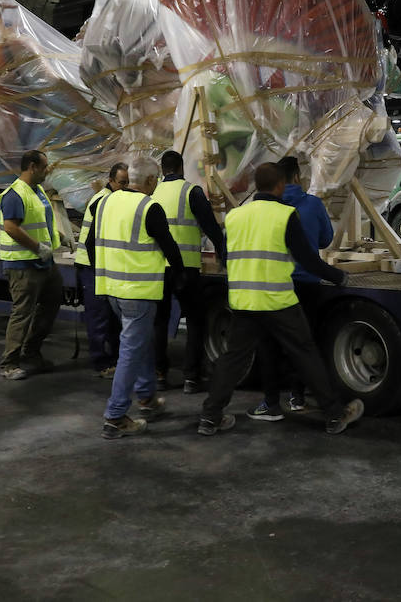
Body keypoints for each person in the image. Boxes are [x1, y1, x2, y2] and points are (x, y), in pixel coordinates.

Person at [199, 162, 363, 437]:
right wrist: (338, 277)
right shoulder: (285, 216)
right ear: (279, 186)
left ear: (256, 185)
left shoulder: (236, 216)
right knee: (305, 353)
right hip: (277, 301)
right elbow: (308, 259)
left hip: (243, 301)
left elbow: (224, 257)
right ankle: (334, 415)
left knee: (232, 360)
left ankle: (210, 416)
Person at [93, 156, 185, 439]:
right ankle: (115, 416)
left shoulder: (104, 202)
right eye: (155, 180)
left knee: (139, 344)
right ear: (148, 181)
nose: (156, 185)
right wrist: (181, 276)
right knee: (131, 352)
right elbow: (170, 248)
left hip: (111, 288)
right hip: (138, 292)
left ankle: (146, 398)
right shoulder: (149, 207)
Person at [250, 155, 333, 420]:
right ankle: (299, 396)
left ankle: (271, 401)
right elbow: (325, 239)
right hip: (307, 283)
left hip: (274, 284)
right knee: (305, 342)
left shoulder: (264, 209)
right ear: (296, 177)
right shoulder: (311, 205)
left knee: (270, 344)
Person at [151, 150, 226, 394]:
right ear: (182, 168)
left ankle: (160, 374)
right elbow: (211, 228)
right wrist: (223, 255)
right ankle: (191, 378)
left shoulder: (152, 192)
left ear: (163, 170)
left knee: (160, 320)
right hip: (186, 268)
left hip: (158, 267)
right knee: (195, 319)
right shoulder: (191, 192)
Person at [0, 150, 66, 380]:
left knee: (52, 302)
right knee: (22, 313)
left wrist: (57, 236)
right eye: (45, 166)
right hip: (23, 264)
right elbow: (11, 227)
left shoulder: (38, 193)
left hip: (44, 262)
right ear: (33, 166)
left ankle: (31, 351)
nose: (48, 171)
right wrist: (37, 247)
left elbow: (39, 221)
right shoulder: (15, 194)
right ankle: (9, 363)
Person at [74, 162, 127, 376]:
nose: (124, 187)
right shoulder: (103, 201)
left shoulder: (111, 198)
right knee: (99, 316)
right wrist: (101, 269)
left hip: (101, 266)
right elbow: (90, 242)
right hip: (92, 266)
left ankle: (113, 359)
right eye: (121, 183)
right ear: (111, 181)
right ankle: (101, 362)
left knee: (111, 317)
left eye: (127, 183)